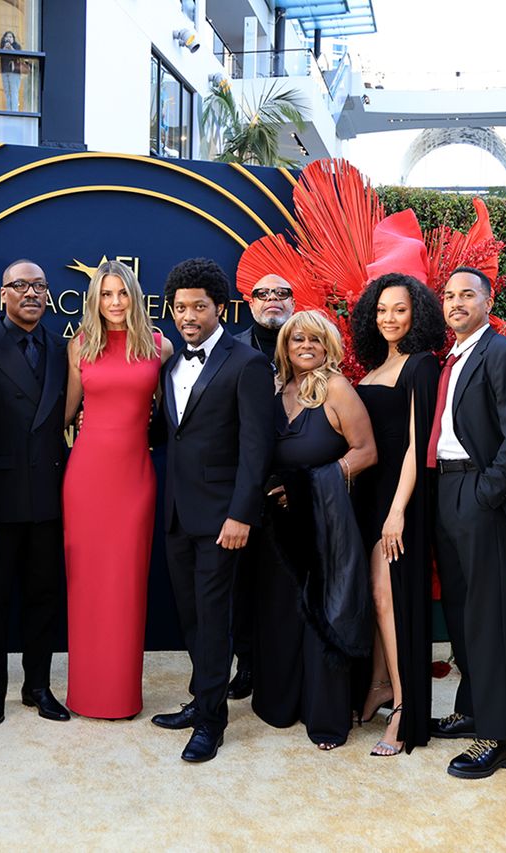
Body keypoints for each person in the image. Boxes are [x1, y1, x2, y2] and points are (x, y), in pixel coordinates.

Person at [150, 257, 274, 763]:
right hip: (178, 514)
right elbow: (169, 436)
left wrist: (242, 514)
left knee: (215, 617)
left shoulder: (246, 362)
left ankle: (210, 723)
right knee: (192, 617)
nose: (188, 315)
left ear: (220, 308)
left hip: (224, 519)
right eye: (180, 307)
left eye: (198, 306)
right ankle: (203, 698)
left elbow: (256, 447)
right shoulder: (171, 364)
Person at [429, 266, 506, 779]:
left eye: (467, 294)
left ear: (488, 299)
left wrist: (485, 494)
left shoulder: (505, 353)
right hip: (446, 487)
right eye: (449, 295)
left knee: (490, 617)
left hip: (479, 492)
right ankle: (472, 707)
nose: (456, 302)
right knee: (461, 609)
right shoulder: (451, 359)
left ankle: (498, 737)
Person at [253, 310, 375, 750]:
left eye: (315, 340)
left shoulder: (338, 388)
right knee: (282, 613)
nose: (306, 346)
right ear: (285, 347)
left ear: (329, 346)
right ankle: (280, 705)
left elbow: (366, 452)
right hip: (277, 527)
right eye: (296, 339)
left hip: (325, 524)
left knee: (321, 615)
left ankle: (324, 716)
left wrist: (307, 488)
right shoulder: (276, 390)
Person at [0, 259, 70, 728]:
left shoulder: (64, 348)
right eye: (21, 285)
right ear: (2, 292)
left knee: (44, 596)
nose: (31, 293)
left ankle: (38, 687)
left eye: (40, 286)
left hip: (49, 489)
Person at [63, 260, 172, 719]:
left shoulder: (160, 346)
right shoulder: (81, 345)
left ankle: (122, 695)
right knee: (85, 585)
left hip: (134, 480)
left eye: (121, 293)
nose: (114, 303)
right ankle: (86, 692)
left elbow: (176, 407)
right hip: (86, 477)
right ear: (94, 299)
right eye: (105, 295)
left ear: (134, 295)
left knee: (126, 585)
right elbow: (66, 412)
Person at [350, 273, 443, 755]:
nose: (389, 318)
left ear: (418, 313)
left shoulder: (422, 366)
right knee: (373, 598)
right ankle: (381, 686)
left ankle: (406, 708)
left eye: (399, 309)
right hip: (366, 497)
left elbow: (415, 446)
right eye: (382, 309)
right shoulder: (371, 368)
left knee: (390, 599)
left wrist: (397, 512)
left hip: (397, 499)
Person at [227, 273, 297, 700]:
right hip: (241, 489)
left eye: (281, 293)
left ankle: (285, 671)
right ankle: (246, 665)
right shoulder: (232, 350)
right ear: (249, 303)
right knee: (240, 585)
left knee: (288, 586)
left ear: (294, 301)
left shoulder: (312, 346)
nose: (272, 299)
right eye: (263, 294)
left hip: (293, 490)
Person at [0, 31, 24, 111]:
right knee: (7, 92)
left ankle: (15, 111)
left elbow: (18, 56)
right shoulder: (2, 47)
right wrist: (3, 49)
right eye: (7, 37)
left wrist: (10, 48)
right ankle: (9, 110)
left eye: (10, 37)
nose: (8, 38)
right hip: (4, 72)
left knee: (14, 92)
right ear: (4, 38)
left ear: (13, 39)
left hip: (14, 72)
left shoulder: (17, 46)